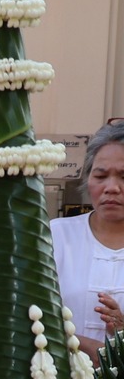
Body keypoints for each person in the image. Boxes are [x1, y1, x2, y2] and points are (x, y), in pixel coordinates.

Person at [53, 120, 124, 356]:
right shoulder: (55, 236)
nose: (112, 188)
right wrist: (80, 344)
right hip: (57, 375)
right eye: (101, 176)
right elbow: (22, 312)